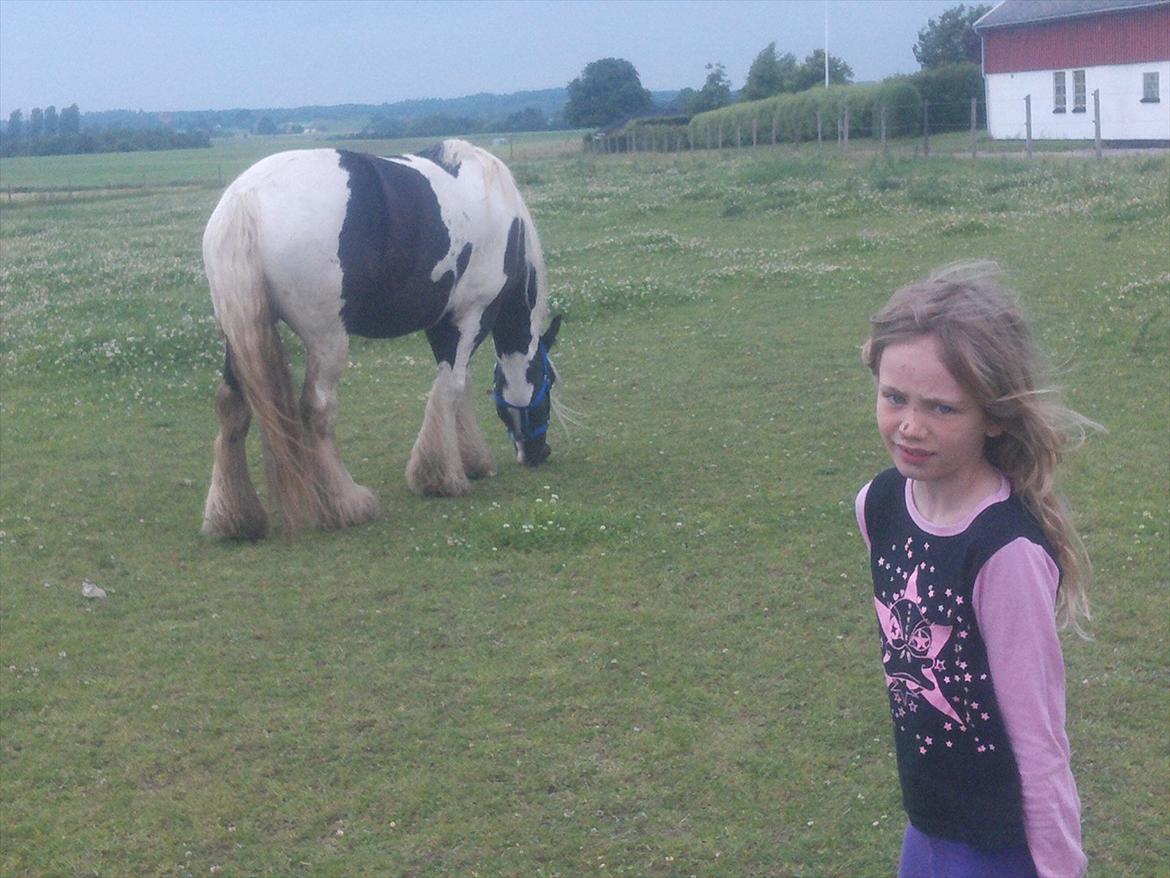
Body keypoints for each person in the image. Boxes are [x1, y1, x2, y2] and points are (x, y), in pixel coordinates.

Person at [854, 262, 1096, 878]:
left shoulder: (1003, 553)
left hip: (997, 848)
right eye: (894, 397)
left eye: (942, 408)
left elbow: (1040, 739)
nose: (910, 426)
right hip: (927, 825)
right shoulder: (878, 504)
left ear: (994, 415)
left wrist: (1061, 868)